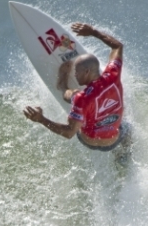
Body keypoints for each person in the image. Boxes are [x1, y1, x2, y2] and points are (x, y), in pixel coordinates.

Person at [23, 22, 131, 158]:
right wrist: (93, 32)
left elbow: (69, 133)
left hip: (89, 142)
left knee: (72, 95)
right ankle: (123, 156)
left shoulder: (81, 98)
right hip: (113, 140)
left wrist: (41, 119)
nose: (74, 74)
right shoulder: (113, 75)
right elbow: (117, 46)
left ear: (87, 72)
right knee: (126, 127)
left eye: (76, 71)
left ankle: (63, 85)